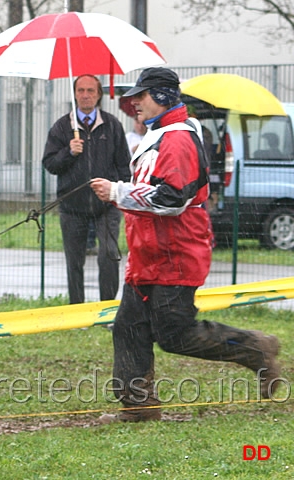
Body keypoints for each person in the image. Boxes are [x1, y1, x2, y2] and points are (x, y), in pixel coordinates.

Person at [90, 67, 281, 423]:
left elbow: (173, 198)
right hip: (149, 256)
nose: (133, 104)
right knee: (129, 327)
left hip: (175, 256)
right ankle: (139, 407)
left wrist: (117, 191)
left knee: (175, 335)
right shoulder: (160, 135)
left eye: (142, 96)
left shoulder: (177, 139)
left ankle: (255, 347)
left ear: (162, 97)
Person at [42, 75, 131, 304]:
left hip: (107, 206)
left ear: (99, 94)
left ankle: (107, 310)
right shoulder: (62, 127)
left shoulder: (112, 125)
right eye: (80, 90)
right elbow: (50, 164)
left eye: (90, 90)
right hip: (73, 207)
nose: (85, 95)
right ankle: (77, 311)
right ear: (75, 94)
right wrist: (68, 152)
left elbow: (123, 165)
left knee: (109, 255)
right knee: (74, 261)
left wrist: (122, 195)